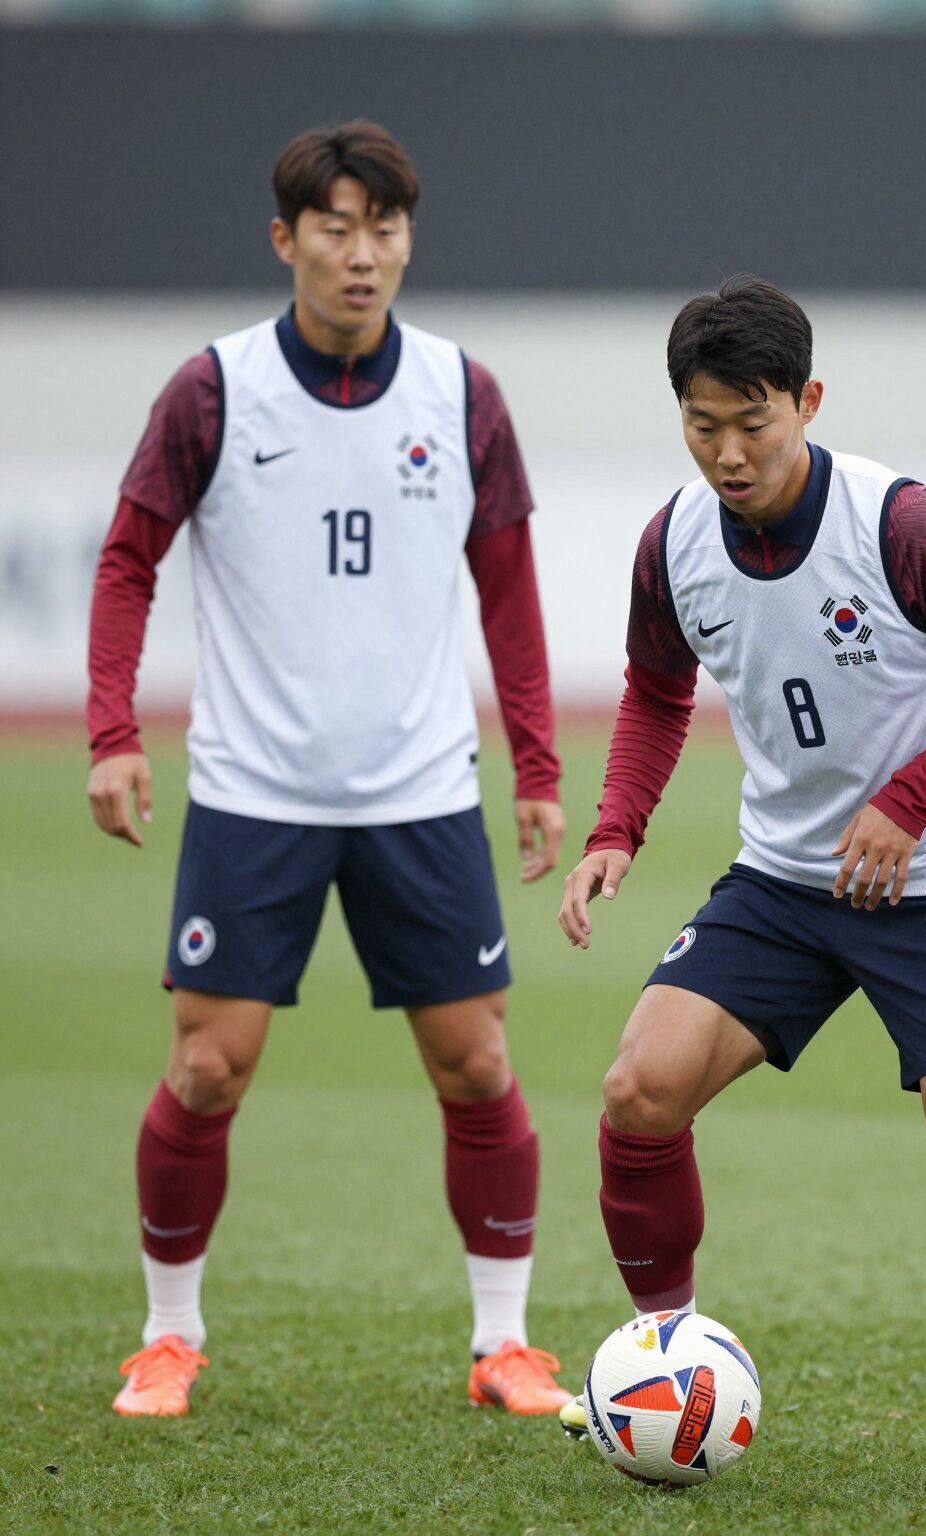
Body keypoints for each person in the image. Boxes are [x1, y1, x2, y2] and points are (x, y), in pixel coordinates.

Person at [555, 274, 926, 1439]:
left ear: (808, 400)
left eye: (752, 422)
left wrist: (910, 801)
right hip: (780, 887)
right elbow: (657, 691)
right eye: (702, 424)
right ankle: (661, 1363)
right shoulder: (672, 543)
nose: (727, 452)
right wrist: (616, 828)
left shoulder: (898, 526)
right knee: (638, 1091)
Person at [87, 120, 572, 1419]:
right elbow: (129, 558)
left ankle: (503, 1346)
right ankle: (168, 1338)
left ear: (409, 239)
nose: (364, 257)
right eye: (338, 229)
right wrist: (112, 730)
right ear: (285, 239)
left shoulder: (463, 394)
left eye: (386, 230)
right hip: (256, 793)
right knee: (206, 1069)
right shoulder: (214, 390)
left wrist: (535, 760)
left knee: (476, 1063)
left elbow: (509, 587)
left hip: (419, 791)